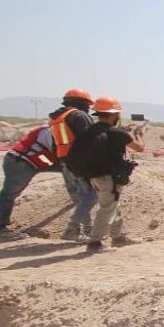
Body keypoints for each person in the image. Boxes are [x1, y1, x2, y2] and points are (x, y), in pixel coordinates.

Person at [74, 97, 145, 252]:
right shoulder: (117, 133)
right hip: (109, 177)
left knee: (112, 204)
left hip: (93, 176)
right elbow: (139, 148)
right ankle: (95, 242)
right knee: (107, 207)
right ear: (114, 114)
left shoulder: (90, 131)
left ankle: (118, 236)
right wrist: (139, 133)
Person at [47, 88, 98, 241]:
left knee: (81, 197)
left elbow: (55, 144)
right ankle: (72, 229)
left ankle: (86, 230)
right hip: (79, 162)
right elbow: (92, 139)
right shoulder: (78, 116)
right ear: (81, 102)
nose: (89, 108)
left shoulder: (57, 118)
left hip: (64, 161)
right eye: (87, 105)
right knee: (91, 196)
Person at [0, 124, 58, 238]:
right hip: (21, 161)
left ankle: (1, 224)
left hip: (31, 161)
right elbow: (58, 153)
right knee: (9, 194)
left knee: (66, 168)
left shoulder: (53, 130)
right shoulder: (49, 131)